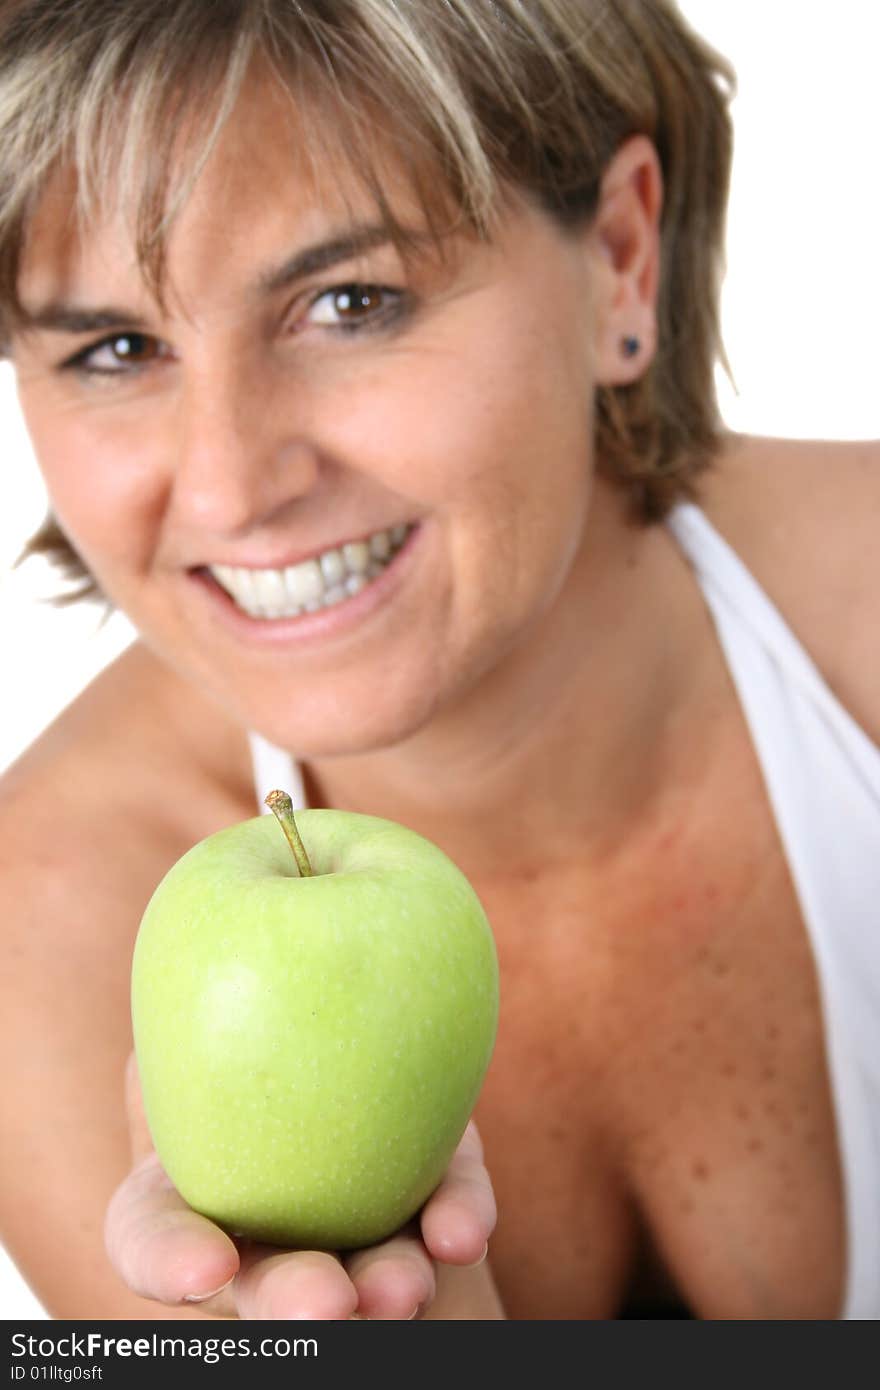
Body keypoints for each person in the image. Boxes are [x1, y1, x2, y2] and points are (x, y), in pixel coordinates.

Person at [0, 0, 877, 1321]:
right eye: (117, 348)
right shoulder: (39, 940)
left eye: (350, 302)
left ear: (622, 260)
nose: (232, 486)